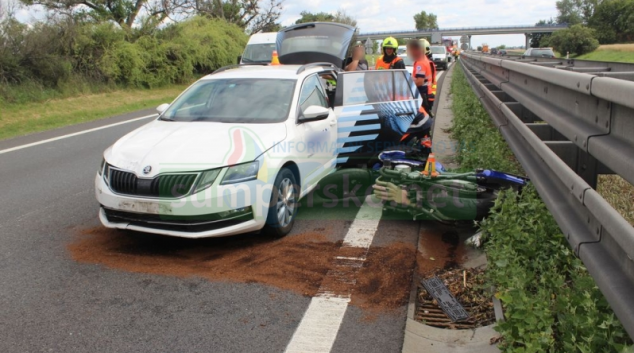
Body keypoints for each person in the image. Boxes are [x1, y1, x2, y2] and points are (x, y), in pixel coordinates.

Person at [408, 39, 433, 115]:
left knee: (422, 117)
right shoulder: (423, 59)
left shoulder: (420, 62)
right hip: (426, 93)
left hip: (422, 94)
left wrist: (407, 84)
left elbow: (419, 82)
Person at [420, 39, 438, 111]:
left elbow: (420, 80)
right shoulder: (427, 62)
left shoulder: (425, 63)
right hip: (427, 94)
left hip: (426, 95)